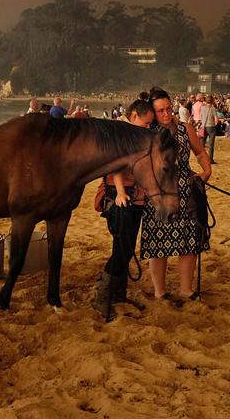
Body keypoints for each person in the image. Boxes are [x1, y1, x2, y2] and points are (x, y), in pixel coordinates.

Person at [140, 88, 212, 300]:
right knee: (157, 243)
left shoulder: (184, 128)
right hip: (157, 195)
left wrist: (207, 170)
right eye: (160, 110)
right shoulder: (146, 132)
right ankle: (160, 291)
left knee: (189, 240)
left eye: (168, 108)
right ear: (152, 112)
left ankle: (186, 289)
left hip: (185, 190)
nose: (166, 114)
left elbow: (199, 152)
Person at [93, 99, 155, 316]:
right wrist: (120, 192)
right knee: (121, 250)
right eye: (146, 123)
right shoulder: (121, 133)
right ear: (134, 115)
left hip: (136, 197)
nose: (148, 128)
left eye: (150, 125)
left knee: (126, 249)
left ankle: (118, 294)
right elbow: (116, 164)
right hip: (119, 197)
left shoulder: (137, 135)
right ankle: (102, 297)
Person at [199, 95, 219, 164]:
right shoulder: (213, 109)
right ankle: (210, 159)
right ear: (212, 101)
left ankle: (201, 159)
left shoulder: (202, 108)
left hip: (203, 126)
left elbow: (201, 116)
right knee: (211, 144)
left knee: (202, 144)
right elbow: (216, 119)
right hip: (211, 126)